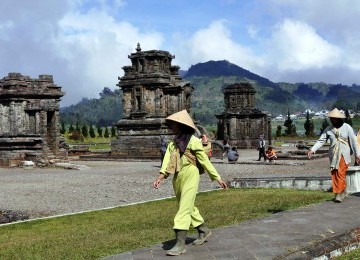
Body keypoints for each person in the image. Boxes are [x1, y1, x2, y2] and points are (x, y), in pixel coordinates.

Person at [153, 110, 228, 256]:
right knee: (187, 206)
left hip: (191, 174)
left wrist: (217, 178)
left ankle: (180, 244)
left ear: (181, 125)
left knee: (183, 210)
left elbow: (204, 161)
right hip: (178, 177)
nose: (171, 127)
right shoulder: (173, 144)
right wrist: (160, 178)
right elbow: (167, 162)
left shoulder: (193, 141)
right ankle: (204, 230)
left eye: (173, 124)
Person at [307, 108, 360, 203]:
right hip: (333, 155)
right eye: (331, 118)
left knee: (341, 172)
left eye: (334, 118)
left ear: (339, 119)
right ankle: (342, 191)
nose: (332, 120)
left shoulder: (347, 127)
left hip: (344, 154)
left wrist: (357, 155)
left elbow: (354, 142)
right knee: (335, 173)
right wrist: (312, 149)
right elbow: (321, 141)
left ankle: (338, 194)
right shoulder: (328, 129)